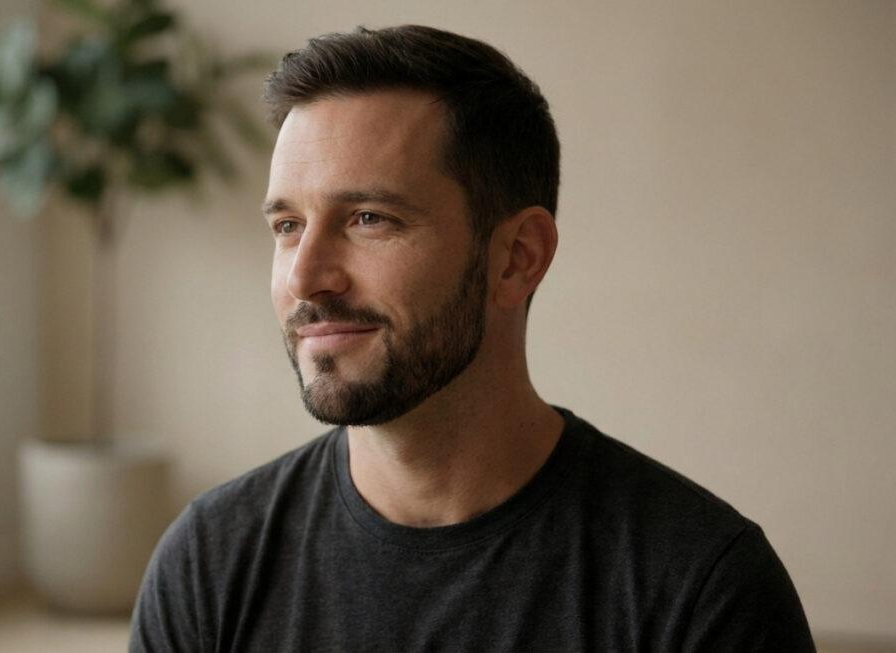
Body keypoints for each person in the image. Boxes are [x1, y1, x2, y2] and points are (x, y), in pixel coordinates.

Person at [130, 25, 814, 652]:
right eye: (287, 226)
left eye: (369, 218)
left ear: (517, 256)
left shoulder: (700, 588)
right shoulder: (209, 564)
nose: (305, 276)